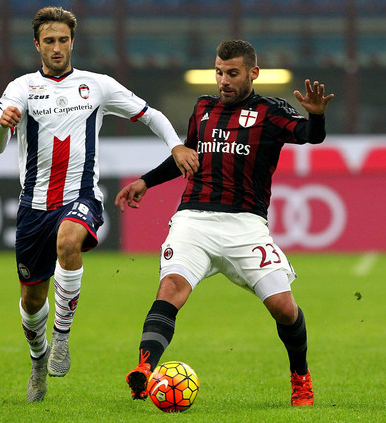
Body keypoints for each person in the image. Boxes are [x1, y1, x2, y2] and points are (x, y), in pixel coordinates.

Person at [0, 6, 198, 403]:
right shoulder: (21, 88)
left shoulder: (96, 85)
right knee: (31, 303)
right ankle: (38, 360)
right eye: (49, 41)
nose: (57, 47)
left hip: (81, 197)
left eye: (63, 40)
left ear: (72, 42)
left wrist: (176, 145)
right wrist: (3, 126)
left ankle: (62, 337)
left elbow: (149, 114)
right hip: (33, 208)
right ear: (37, 44)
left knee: (70, 241)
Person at [116, 39, 334, 407]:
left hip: (245, 227)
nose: (223, 81)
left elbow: (311, 136)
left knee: (283, 307)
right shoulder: (203, 108)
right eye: (219, 72)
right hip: (193, 220)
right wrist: (145, 181)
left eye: (232, 73)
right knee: (171, 288)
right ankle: (145, 369)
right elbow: (186, 157)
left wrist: (316, 115)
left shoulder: (270, 111)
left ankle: (301, 379)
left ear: (253, 73)